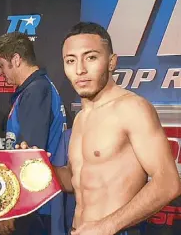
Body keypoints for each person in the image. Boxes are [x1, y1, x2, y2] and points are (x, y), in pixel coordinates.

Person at [51, 22, 180, 235]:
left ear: (111, 62)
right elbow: (76, 181)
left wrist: (108, 225)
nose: (80, 69)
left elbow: (168, 182)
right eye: (70, 61)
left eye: (91, 57)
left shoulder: (132, 108)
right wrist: (37, 166)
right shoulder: (82, 117)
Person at [0, 32, 67, 235]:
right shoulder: (36, 88)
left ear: (16, 59)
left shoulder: (35, 91)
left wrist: (13, 211)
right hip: (37, 203)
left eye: (1, 65)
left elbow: (31, 156)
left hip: (36, 206)